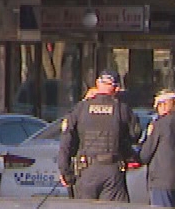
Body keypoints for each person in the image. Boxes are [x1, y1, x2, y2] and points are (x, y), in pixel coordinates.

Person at [58, 71, 136, 202]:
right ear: (116, 88)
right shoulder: (122, 109)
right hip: (112, 171)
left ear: (97, 84)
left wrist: (65, 172)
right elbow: (134, 134)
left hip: (86, 171)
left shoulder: (81, 108)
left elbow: (66, 142)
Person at [138, 90, 175, 209]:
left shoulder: (160, 125)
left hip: (163, 182)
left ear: (164, 105)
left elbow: (144, 155)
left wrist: (148, 136)